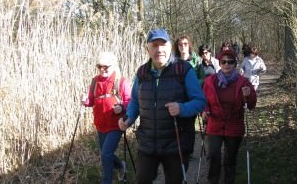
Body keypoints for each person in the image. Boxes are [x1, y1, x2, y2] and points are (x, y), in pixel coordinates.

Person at [118, 28, 206, 184]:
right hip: (148, 143)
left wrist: (182, 108)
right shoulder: (142, 73)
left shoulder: (183, 70)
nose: (159, 49)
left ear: (170, 47)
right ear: (148, 49)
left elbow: (200, 102)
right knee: (142, 180)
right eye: (154, 45)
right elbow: (135, 101)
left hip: (176, 143)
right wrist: (129, 118)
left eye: (163, 45)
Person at [202, 49, 257, 184]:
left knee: (230, 159)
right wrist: (205, 110)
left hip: (234, 125)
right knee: (214, 156)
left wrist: (248, 95)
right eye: (224, 62)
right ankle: (213, 181)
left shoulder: (243, 82)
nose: (227, 65)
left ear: (235, 64)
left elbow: (251, 105)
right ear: (219, 64)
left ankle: (228, 181)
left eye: (230, 62)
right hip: (215, 124)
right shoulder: (210, 81)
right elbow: (203, 100)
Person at [82, 52, 131, 184]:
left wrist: (122, 107)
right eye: (99, 66)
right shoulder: (95, 81)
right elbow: (91, 101)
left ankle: (107, 181)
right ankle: (121, 166)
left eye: (106, 67)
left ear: (113, 66)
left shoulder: (120, 81)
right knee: (106, 154)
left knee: (105, 154)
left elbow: (130, 101)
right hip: (100, 124)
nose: (102, 69)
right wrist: (85, 101)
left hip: (116, 124)